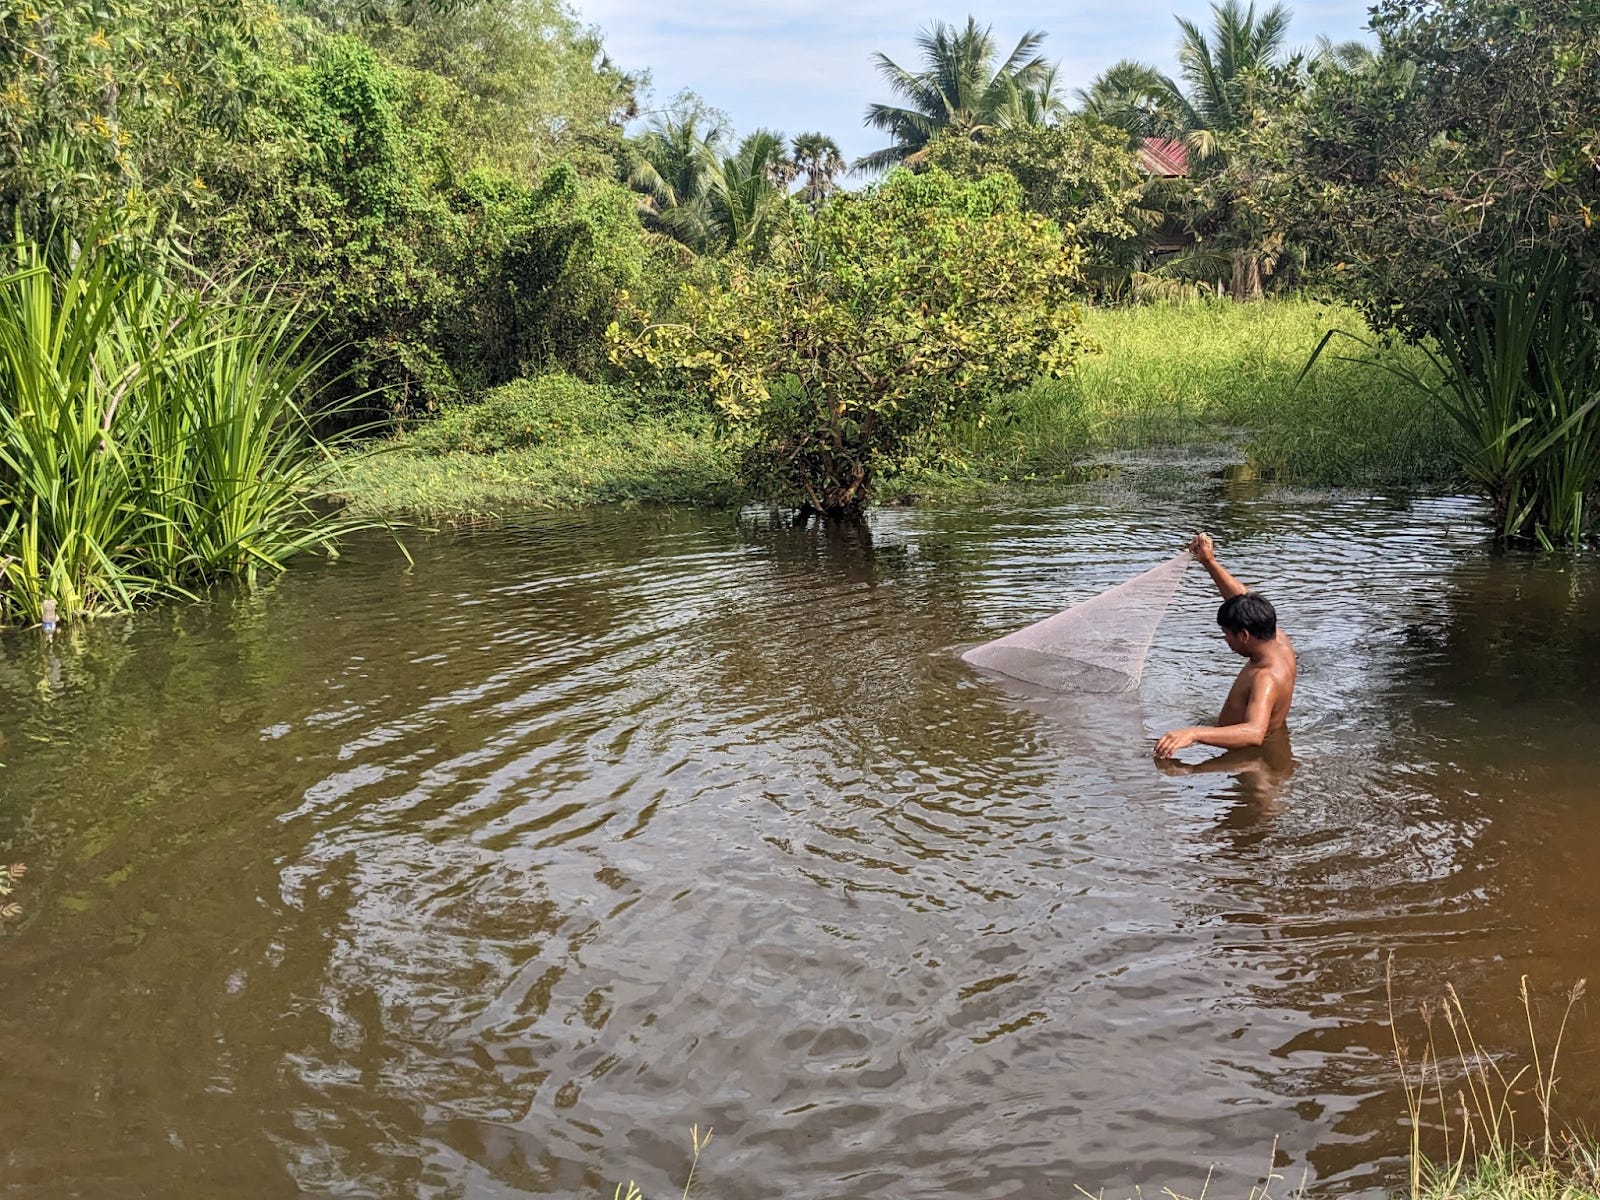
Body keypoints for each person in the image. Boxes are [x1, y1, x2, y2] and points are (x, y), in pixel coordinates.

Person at [1154, 533, 1296, 759]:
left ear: (1244, 635)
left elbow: (1254, 733)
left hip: (1252, 762)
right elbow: (1242, 598)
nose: (1225, 640)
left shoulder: (1265, 677)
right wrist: (1209, 561)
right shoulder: (1277, 640)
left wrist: (1194, 733)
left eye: (1227, 634)